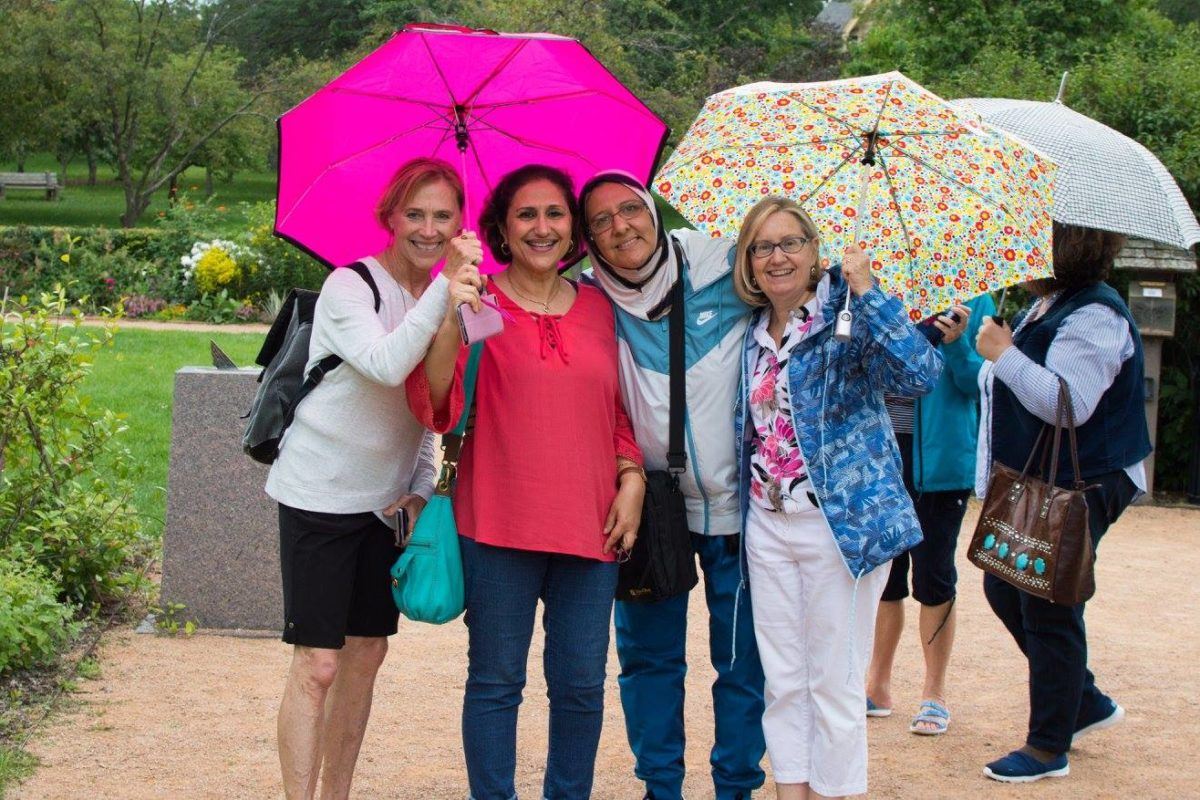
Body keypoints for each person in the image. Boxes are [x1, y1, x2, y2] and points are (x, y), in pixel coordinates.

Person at [406, 164, 645, 800]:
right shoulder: (478, 300)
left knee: (580, 686)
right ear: (503, 231)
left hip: (591, 524)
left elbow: (618, 409)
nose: (543, 227)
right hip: (497, 521)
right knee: (494, 681)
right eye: (526, 215)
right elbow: (439, 404)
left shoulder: (601, 306)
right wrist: (453, 313)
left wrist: (631, 478)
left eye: (555, 214)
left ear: (573, 230)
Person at [266, 157, 483, 800]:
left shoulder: (463, 293)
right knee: (319, 664)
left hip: (387, 505)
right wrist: (445, 291)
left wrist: (421, 488)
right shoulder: (349, 287)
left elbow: (448, 401)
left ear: (460, 222)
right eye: (414, 214)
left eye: (443, 215)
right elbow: (389, 367)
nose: (427, 228)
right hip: (318, 493)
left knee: (365, 659)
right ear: (390, 217)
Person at [732, 196, 942, 799]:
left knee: (836, 681)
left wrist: (870, 292)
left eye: (790, 243)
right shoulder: (749, 333)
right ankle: (791, 791)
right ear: (748, 260)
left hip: (841, 528)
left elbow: (920, 376)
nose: (778, 257)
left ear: (813, 249)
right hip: (768, 525)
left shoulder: (847, 315)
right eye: (763, 246)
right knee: (784, 681)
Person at [578, 171, 766, 800]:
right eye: (601, 221)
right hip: (647, 509)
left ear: (654, 213)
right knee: (649, 663)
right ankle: (662, 788)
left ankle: (735, 787)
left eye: (630, 210)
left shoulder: (725, 264)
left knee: (742, 662)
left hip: (738, 508)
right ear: (589, 238)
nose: (620, 227)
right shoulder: (583, 298)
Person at [973, 222, 1149, 783]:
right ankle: (1086, 701)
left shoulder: (1095, 314)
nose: (1016, 249)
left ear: (1063, 246)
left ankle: (1049, 746)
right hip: (1051, 478)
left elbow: (1066, 403)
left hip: (1089, 479)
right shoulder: (1051, 304)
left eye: (1029, 239)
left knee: (1048, 601)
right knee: (1005, 583)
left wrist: (1004, 354)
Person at [865, 294, 988, 735]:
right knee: (885, 575)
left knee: (934, 576)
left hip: (940, 463)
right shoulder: (874, 296)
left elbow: (980, 384)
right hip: (881, 454)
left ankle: (934, 695)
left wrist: (956, 344)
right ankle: (877, 686)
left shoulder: (972, 300)